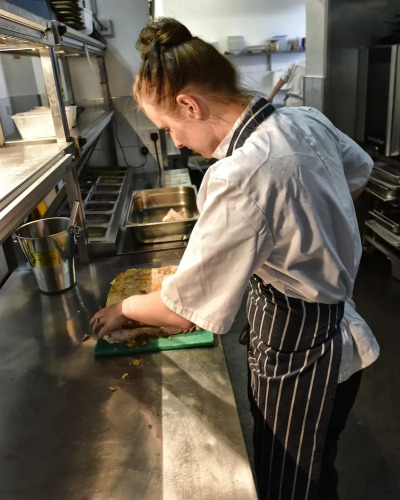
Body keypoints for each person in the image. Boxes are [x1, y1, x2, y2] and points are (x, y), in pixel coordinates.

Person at [90, 17, 379, 500]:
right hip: (340, 334)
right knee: (318, 469)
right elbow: (359, 172)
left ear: (190, 105)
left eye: (168, 128)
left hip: (300, 358)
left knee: (291, 486)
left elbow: (181, 310)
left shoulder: (239, 175)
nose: (176, 142)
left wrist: (125, 307)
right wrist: (304, 227)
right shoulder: (304, 120)